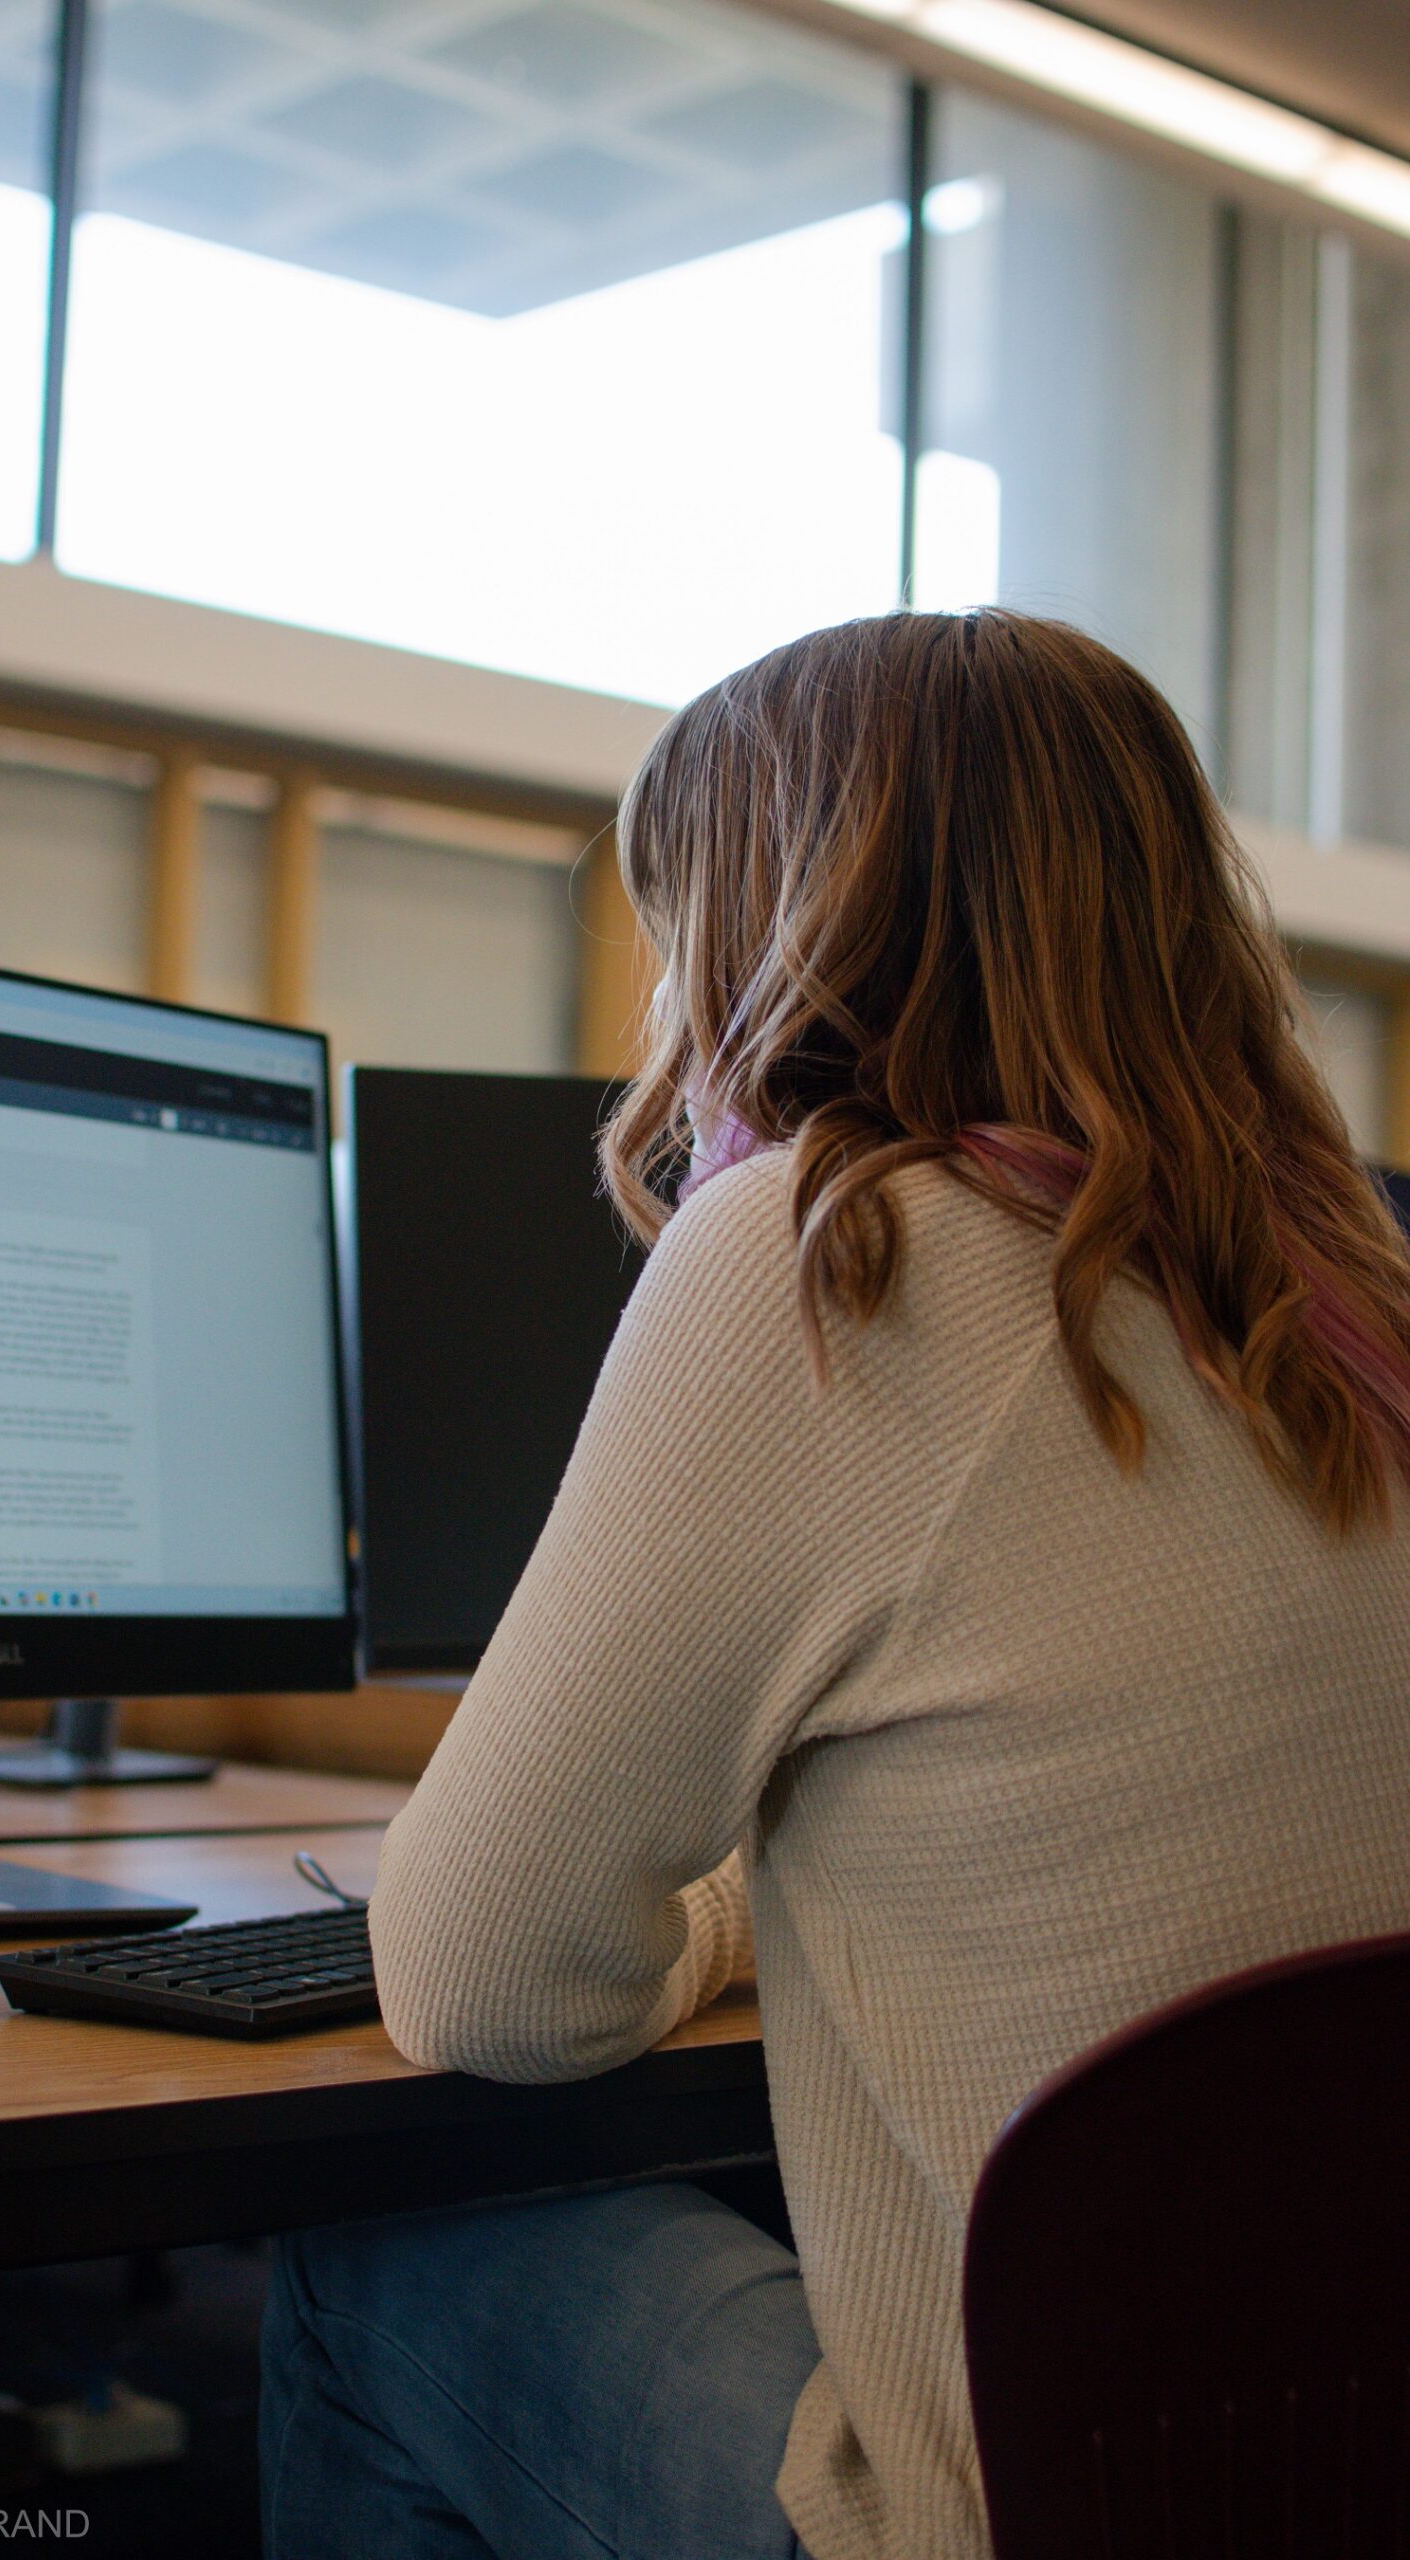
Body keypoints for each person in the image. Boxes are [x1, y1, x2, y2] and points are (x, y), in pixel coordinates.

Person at [261, 610, 1410, 2560]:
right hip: (1333, 2463)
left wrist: (712, 1922)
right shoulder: (1338, 1316)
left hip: (1000, 2515)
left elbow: (475, 1978)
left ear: (779, 924)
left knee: (374, 2244)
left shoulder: (830, 1243)